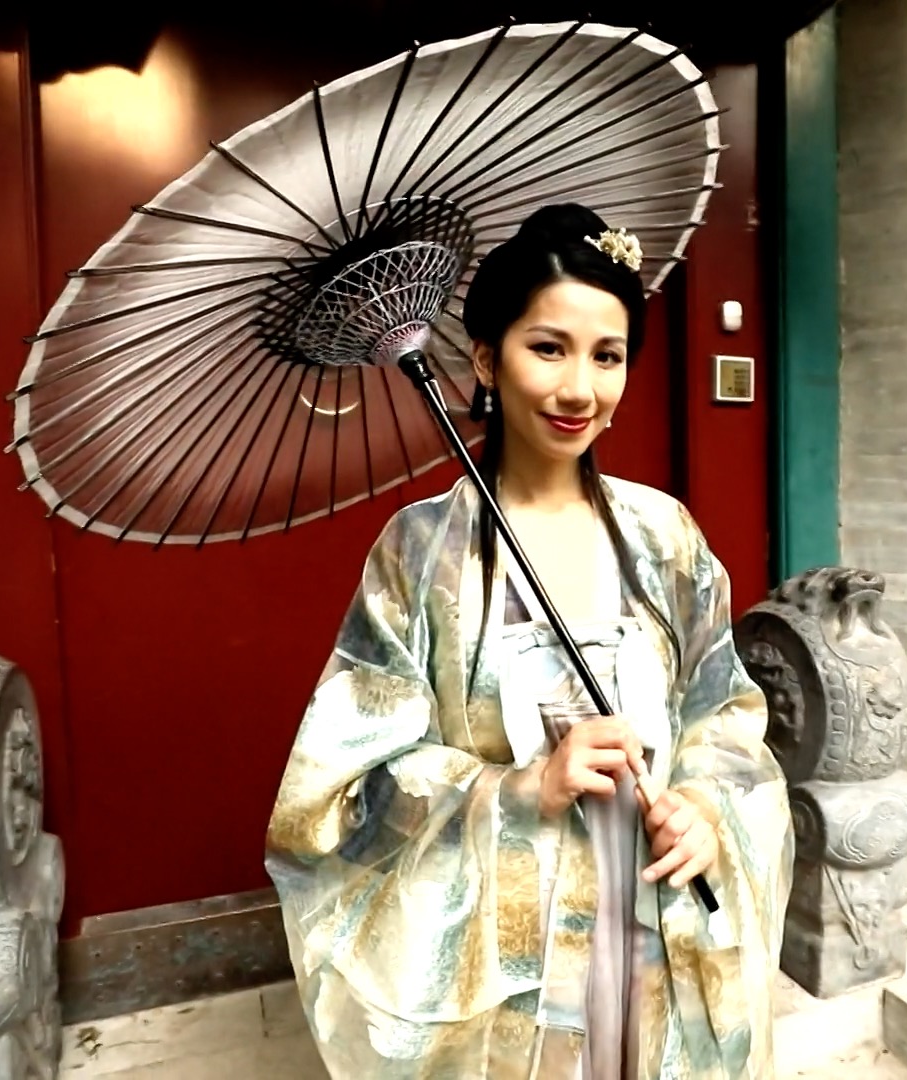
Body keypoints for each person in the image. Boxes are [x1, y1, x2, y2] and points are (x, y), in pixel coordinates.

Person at [264, 204, 792, 1078]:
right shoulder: (422, 552)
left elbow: (724, 708)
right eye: (548, 348)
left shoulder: (664, 536)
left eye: (607, 356)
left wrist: (704, 806)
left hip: (656, 916)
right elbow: (341, 784)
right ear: (485, 359)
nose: (580, 388)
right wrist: (517, 789)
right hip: (508, 950)